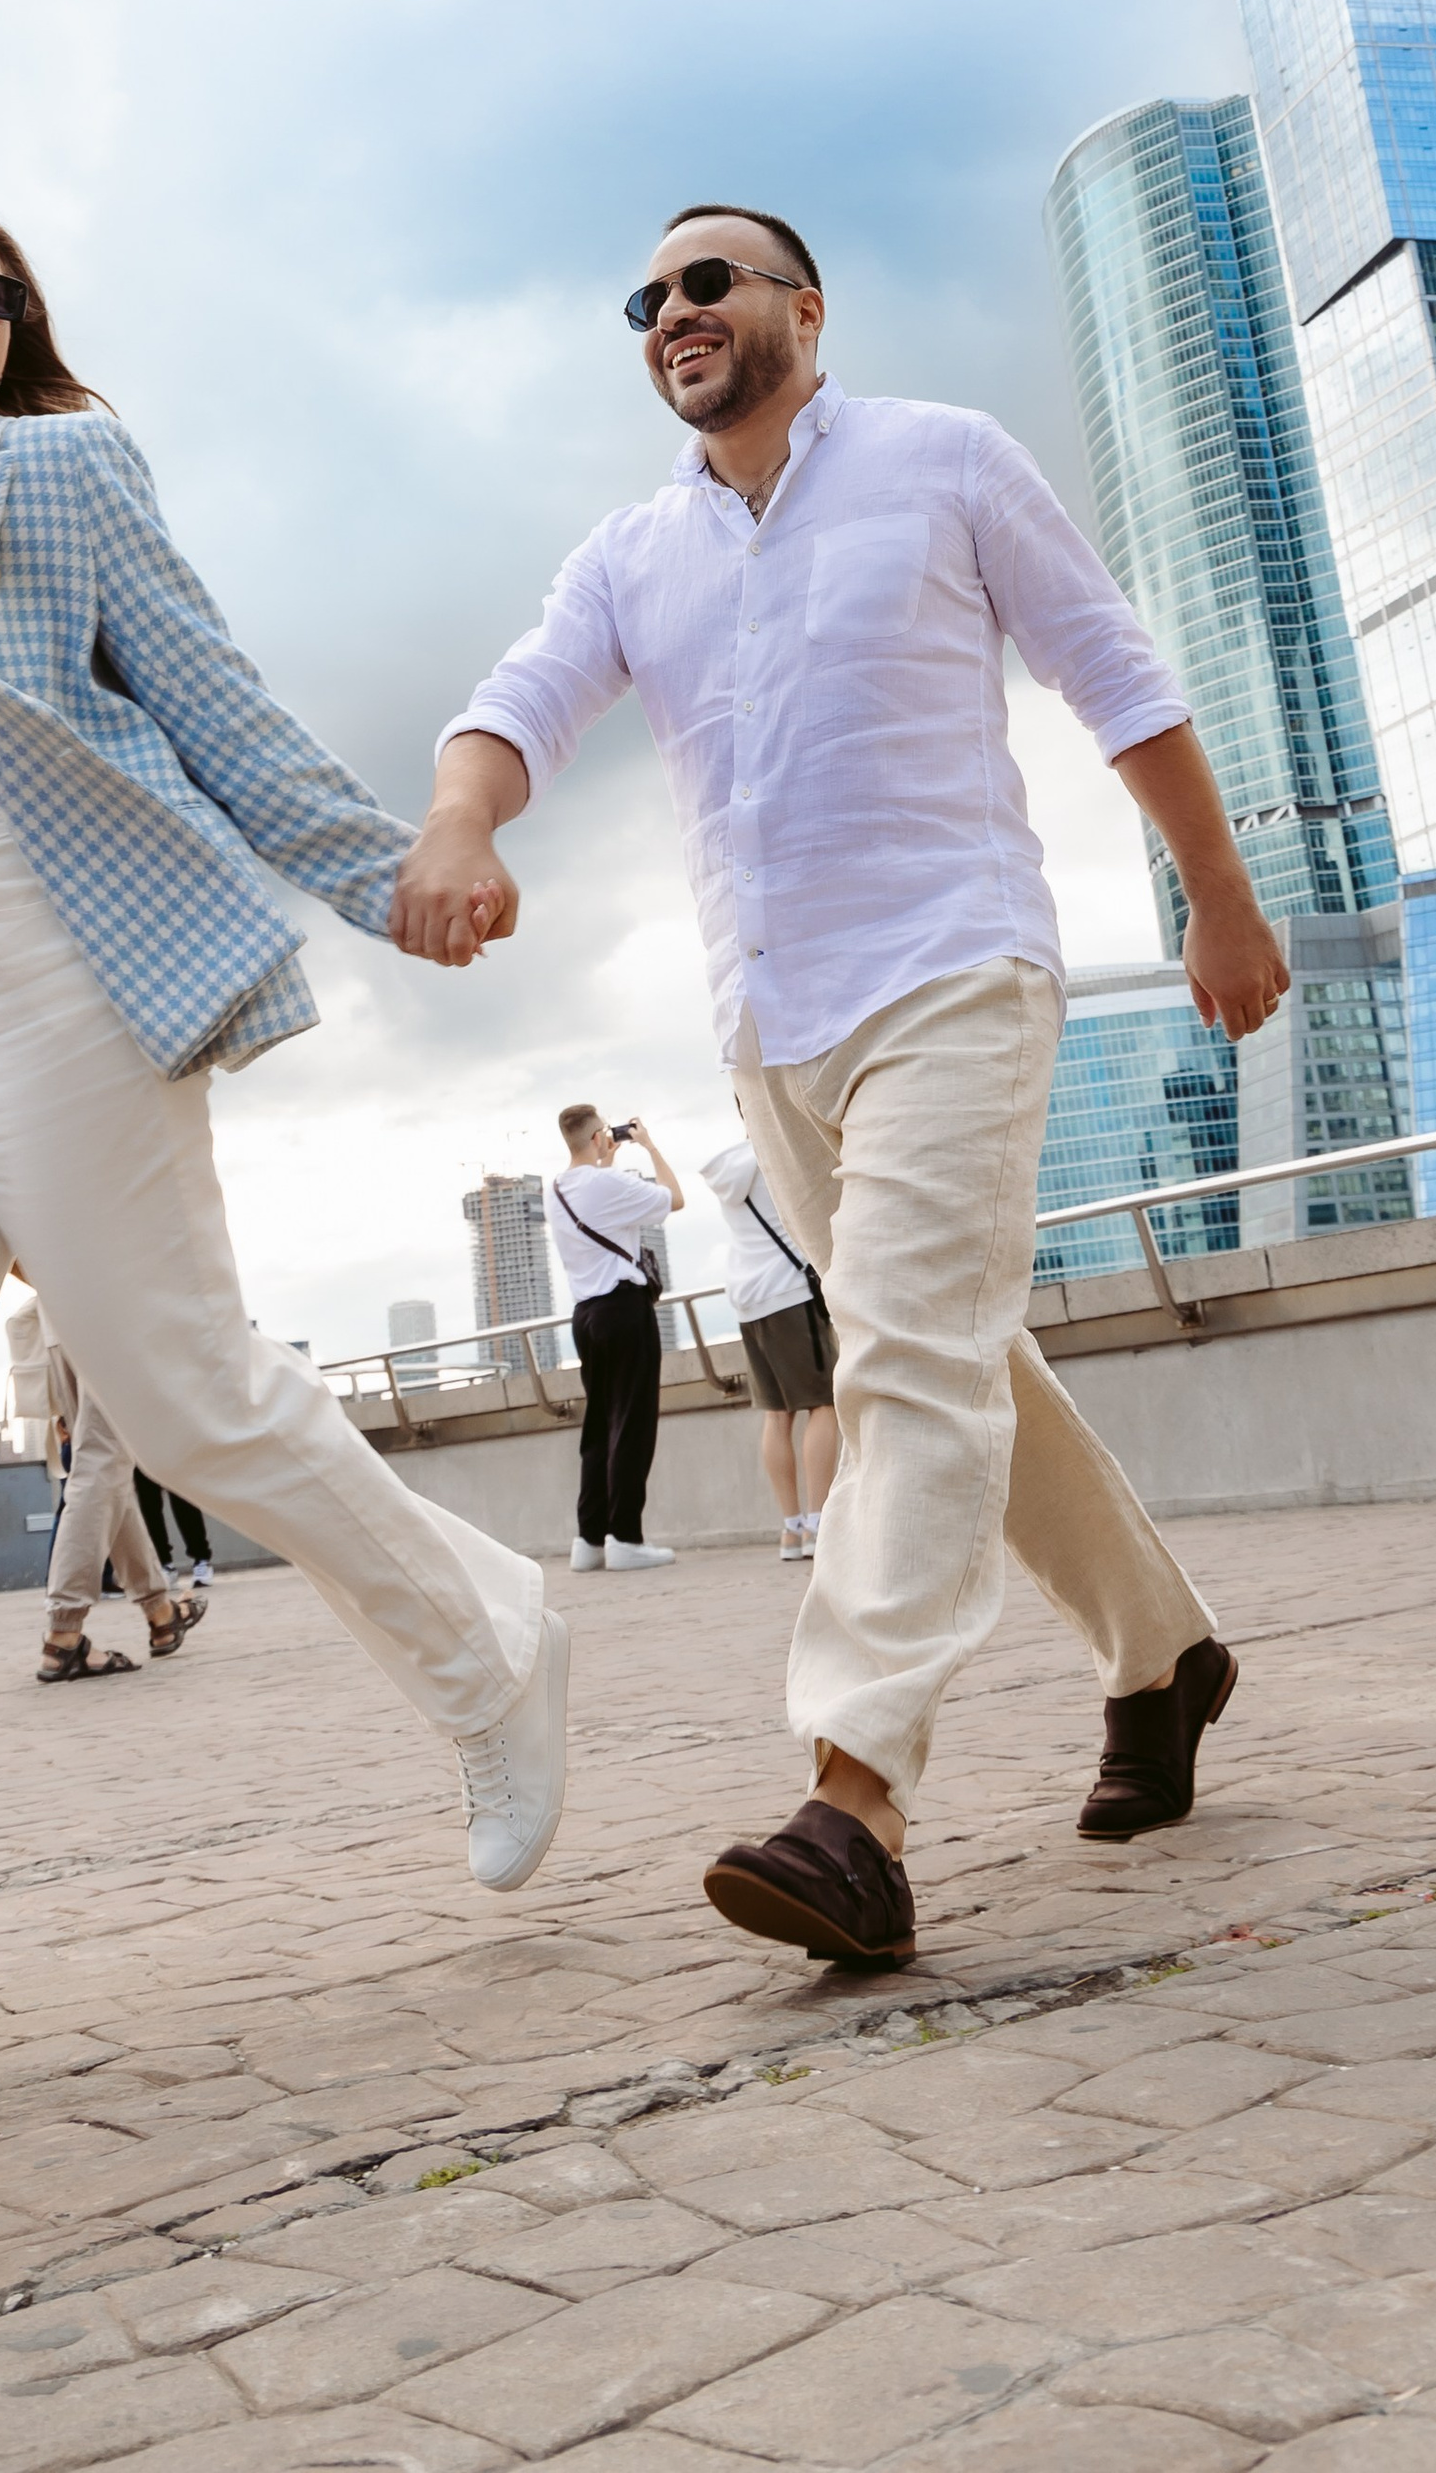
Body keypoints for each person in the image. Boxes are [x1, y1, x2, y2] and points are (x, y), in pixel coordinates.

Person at [0, 189, 563, 2152]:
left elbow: (208, 692)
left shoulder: (55, 467)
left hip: (59, 950)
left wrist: (390, 872)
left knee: (185, 1396)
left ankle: (490, 1655)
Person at [393, 204, 1287, 1971]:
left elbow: (1111, 668)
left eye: (708, 280)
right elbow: (522, 702)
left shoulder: (945, 459)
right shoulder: (631, 553)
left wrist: (1221, 895)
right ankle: (1164, 1654)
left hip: (956, 967)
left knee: (907, 1361)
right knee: (952, 1356)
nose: (672, 310)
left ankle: (856, 1802)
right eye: (646, 297)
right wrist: (457, 821)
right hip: (774, 1032)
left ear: (802, 308)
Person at [24, 1293, 196, 1677]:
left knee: (108, 1469)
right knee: (103, 1463)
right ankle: (63, 1636)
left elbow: (20, 1263)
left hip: (60, 1320)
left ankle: (161, 1614)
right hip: (108, 1315)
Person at [546, 1107, 684, 1570]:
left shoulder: (557, 1189)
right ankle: (625, 1537)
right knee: (633, 1424)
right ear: (598, 1136)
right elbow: (675, 1198)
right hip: (623, 1309)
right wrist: (649, 1146)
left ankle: (589, 1541)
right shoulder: (608, 1184)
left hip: (585, 1316)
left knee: (600, 1426)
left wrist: (605, 1157)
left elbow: (596, 1199)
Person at [701, 1118, 836, 1559]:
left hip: (749, 1300)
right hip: (790, 1293)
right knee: (823, 1404)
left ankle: (791, 1530)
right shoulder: (776, 1154)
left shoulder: (727, 1167)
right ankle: (819, 1525)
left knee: (778, 1414)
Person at [134, 1471, 215, 1598]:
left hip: (171, 1458)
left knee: (182, 1496)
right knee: (148, 1502)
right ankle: (164, 1565)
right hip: (140, 1459)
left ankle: (201, 1559)